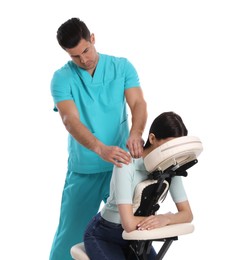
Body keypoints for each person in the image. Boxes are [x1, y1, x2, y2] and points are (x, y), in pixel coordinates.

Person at [49, 17, 147, 260]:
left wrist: (136, 133)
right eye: (75, 56)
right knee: (69, 238)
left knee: (136, 232)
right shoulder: (62, 79)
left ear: (92, 38)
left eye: (85, 50)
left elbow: (137, 103)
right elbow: (70, 120)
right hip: (85, 169)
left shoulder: (122, 67)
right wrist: (99, 148)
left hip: (122, 167)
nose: (84, 60)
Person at [83, 111, 193, 260]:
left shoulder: (170, 168)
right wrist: (159, 220)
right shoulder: (126, 164)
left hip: (138, 236)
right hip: (105, 235)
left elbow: (187, 214)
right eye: (168, 146)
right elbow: (128, 223)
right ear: (152, 138)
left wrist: (165, 219)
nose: (171, 153)